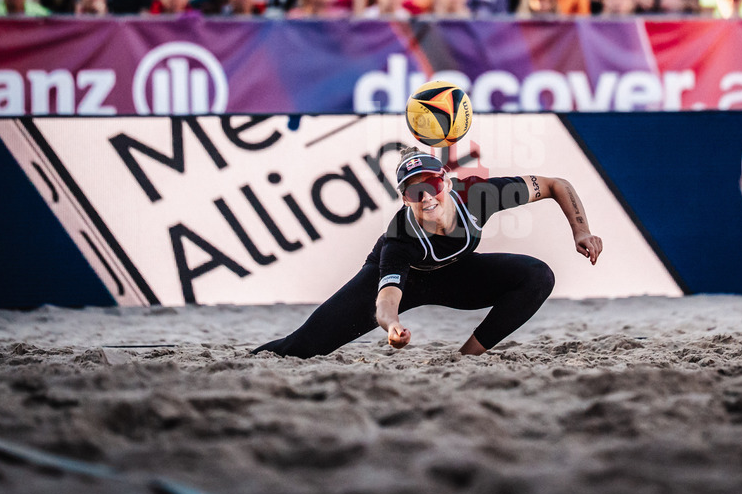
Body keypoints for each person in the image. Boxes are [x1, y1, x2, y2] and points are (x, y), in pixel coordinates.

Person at [252, 148, 603, 358]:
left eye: (432, 185)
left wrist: (581, 230)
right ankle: (249, 358)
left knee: (537, 276)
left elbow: (558, 185)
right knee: (302, 346)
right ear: (404, 198)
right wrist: (393, 327)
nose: (427, 198)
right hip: (401, 282)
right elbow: (387, 300)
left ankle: (466, 358)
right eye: (414, 192)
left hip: (453, 278)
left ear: (446, 182)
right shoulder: (401, 236)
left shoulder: (479, 195)